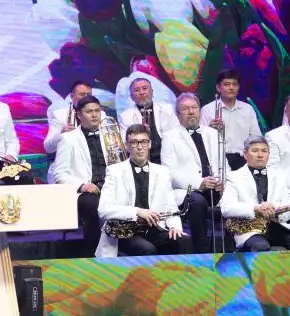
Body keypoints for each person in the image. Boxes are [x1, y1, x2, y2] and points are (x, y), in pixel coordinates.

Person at [96, 124, 189, 257]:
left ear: (149, 144)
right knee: (147, 249)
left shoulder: (162, 171)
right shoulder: (114, 171)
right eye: (134, 143)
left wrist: (175, 227)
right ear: (127, 146)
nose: (139, 147)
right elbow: (103, 209)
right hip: (125, 232)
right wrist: (138, 211)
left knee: (183, 241)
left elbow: (170, 206)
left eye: (143, 142)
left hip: (155, 228)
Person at [49, 95, 123, 256]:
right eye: (89, 112)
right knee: (92, 204)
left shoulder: (111, 135)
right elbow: (59, 174)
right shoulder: (68, 139)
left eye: (97, 111)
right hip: (86, 191)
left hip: (111, 187)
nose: (94, 115)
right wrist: (82, 185)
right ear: (79, 115)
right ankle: (93, 254)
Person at [221, 136, 290, 251]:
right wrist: (256, 208)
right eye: (255, 151)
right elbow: (226, 208)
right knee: (261, 247)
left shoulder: (279, 175)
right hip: (250, 230)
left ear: (268, 154)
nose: (260, 155)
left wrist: (274, 210)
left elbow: (288, 206)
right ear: (245, 154)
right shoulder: (234, 177)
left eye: (264, 151)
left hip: (277, 226)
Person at [159, 92, 225, 253]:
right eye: (185, 109)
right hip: (189, 190)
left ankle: (231, 249)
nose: (191, 112)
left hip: (217, 187)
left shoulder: (213, 133)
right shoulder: (170, 137)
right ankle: (200, 251)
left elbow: (225, 165)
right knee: (197, 202)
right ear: (177, 114)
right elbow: (169, 174)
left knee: (236, 198)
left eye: (194, 107)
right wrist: (199, 183)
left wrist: (223, 182)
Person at [200, 69, 262, 171]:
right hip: (217, 160)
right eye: (227, 84)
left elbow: (256, 137)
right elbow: (201, 140)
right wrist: (210, 130)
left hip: (243, 159)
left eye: (235, 84)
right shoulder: (207, 110)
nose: (231, 88)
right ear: (218, 88)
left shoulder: (248, 109)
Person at [117, 77, 176, 164]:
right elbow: (125, 145)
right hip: (141, 161)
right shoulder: (125, 116)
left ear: (152, 91)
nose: (142, 93)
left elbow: (176, 136)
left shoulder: (167, 109)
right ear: (132, 97)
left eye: (144, 88)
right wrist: (140, 134)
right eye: (137, 90)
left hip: (169, 157)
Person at [44, 80, 98, 154]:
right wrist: (61, 134)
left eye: (89, 95)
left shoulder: (101, 114)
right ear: (71, 96)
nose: (86, 98)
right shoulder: (59, 115)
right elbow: (48, 148)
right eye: (82, 94)